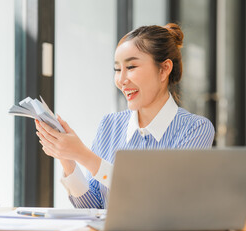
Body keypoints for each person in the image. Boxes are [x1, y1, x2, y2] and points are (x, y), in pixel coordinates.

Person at [35, 23, 215, 209]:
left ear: (164, 69)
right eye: (117, 70)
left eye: (131, 66)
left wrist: (84, 155)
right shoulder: (110, 124)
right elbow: (94, 208)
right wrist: (68, 159)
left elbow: (165, 201)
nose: (121, 80)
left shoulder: (195, 129)